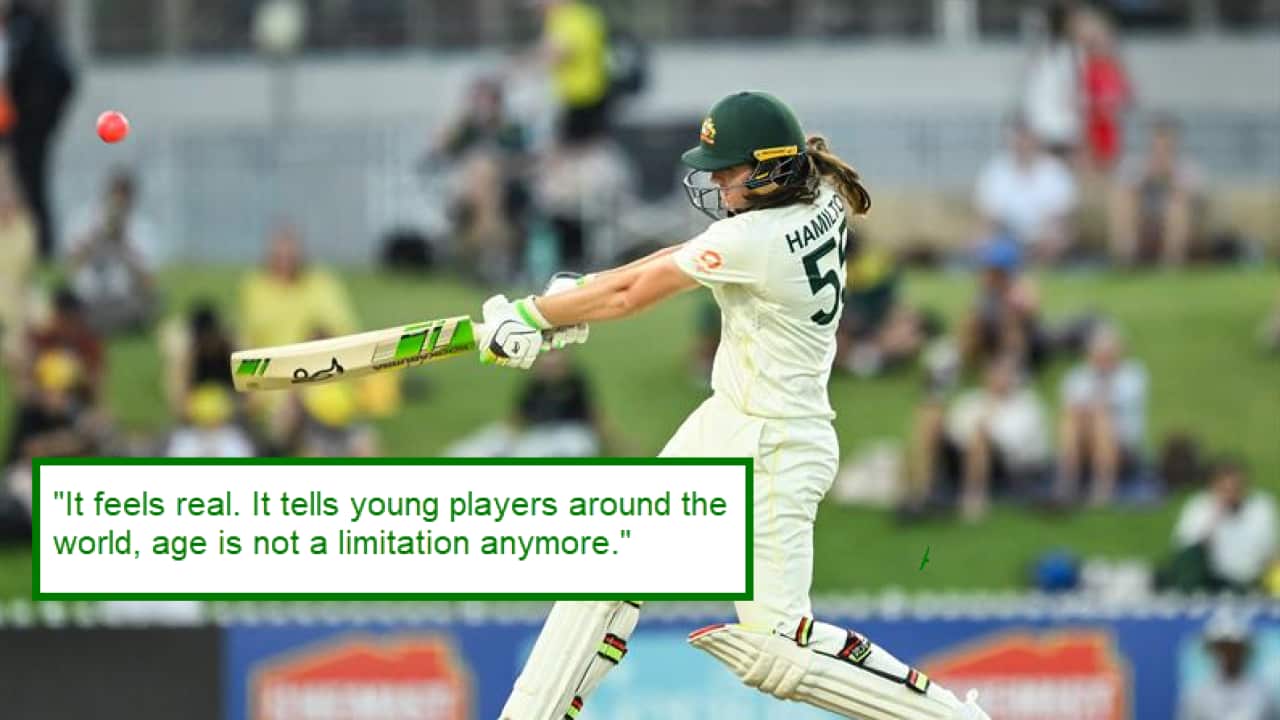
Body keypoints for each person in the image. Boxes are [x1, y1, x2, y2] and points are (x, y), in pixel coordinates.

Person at [481, 91, 990, 720]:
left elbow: (633, 296)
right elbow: (661, 266)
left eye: (728, 170)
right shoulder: (818, 194)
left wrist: (536, 314)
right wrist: (567, 303)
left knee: (777, 649)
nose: (717, 181)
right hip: (730, 419)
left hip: (776, 446)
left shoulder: (761, 237)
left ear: (774, 167)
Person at [911, 354, 1052, 522]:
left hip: (1005, 466)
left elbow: (1013, 443)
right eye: (995, 373)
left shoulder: (1026, 404)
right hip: (963, 454)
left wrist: (986, 421)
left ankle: (974, 497)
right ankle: (923, 488)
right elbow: (955, 430)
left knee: (979, 435)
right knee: (931, 416)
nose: (999, 378)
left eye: (1005, 373)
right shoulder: (972, 400)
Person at [2, 0, 76, 259]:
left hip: (23, 127)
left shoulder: (27, 29)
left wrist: (38, 121)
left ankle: (40, 249)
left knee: (29, 184)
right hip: (14, 125)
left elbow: (62, 78)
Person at [447, 349, 610, 457]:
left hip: (572, 432)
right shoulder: (535, 386)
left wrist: (614, 442)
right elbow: (519, 416)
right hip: (541, 433)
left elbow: (594, 415)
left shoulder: (575, 383)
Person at [1055, 323, 1149, 506]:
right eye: (1099, 352)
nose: (1103, 357)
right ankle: (1067, 483)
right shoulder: (1077, 377)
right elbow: (1072, 408)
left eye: (1109, 352)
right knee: (1071, 420)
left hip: (1122, 446)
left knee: (1102, 419)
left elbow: (1109, 404)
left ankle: (1103, 488)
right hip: (1084, 442)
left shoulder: (1133, 376)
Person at [65, 169, 161, 334]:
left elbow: (148, 283)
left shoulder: (142, 230)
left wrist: (123, 245)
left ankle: (99, 326)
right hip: (88, 298)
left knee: (152, 302)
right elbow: (71, 266)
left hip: (121, 299)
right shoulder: (85, 221)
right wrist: (96, 236)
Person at [1163, 458, 1278, 593]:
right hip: (1211, 578)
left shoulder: (1261, 506)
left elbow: (1271, 549)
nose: (1231, 494)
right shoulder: (1199, 506)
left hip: (1253, 576)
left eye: (1236, 488)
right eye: (1225, 489)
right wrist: (1215, 517)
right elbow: (1186, 552)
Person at [974, 116, 1078, 262]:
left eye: (1026, 138)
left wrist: (1045, 236)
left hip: (1045, 234)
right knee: (988, 244)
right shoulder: (996, 170)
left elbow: (1060, 217)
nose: (1022, 143)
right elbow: (990, 217)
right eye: (1018, 138)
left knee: (1055, 240)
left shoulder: (1055, 171)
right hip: (1007, 236)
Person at [1108, 115, 1206, 267]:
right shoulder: (1136, 165)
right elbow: (1123, 188)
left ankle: (1171, 261)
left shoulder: (1187, 167)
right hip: (1142, 221)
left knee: (1177, 205)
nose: (1161, 150)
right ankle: (1125, 259)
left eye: (1167, 145)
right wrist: (1146, 177)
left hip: (1175, 223)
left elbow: (1193, 196)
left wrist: (1170, 176)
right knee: (1124, 199)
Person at [958, 237, 1049, 375]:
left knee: (1010, 319)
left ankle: (1014, 370)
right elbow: (971, 323)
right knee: (973, 322)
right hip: (996, 341)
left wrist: (1012, 302)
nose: (986, 275)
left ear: (1005, 273)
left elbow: (1029, 310)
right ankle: (969, 365)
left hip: (1029, 345)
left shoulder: (1020, 289)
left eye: (992, 271)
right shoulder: (984, 293)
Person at [1177, 608, 1278, 720]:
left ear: (1243, 650)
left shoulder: (1262, 694)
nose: (1228, 653)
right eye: (1222, 647)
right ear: (1213, 650)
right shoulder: (1197, 696)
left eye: (1233, 647)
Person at [1076, 7, 1132, 173]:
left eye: (1105, 39)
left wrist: (1112, 103)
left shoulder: (1116, 68)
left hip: (1109, 130)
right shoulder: (1085, 68)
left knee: (1108, 171)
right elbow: (1078, 100)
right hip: (1088, 129)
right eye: (1096, 40)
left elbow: (1126, 97)